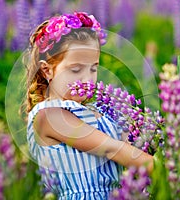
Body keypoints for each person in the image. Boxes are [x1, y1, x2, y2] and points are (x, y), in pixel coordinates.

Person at [26, 11, 153, 199]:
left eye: (93, 68)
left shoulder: (100, 110)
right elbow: (112, 148)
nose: (87, 78)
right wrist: (161, 169)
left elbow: (132, 145)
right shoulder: (48, 116)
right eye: (75, 69)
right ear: (47, 71)